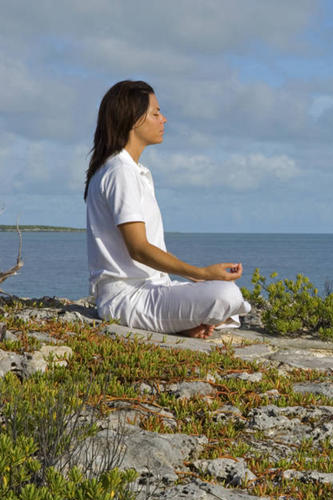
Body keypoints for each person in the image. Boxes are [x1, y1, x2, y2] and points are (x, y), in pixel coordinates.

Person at [84, 80, 250, 338]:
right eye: (155, 113)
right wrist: (199, 272)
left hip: (151, 289)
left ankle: (189, 324)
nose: (164, 119)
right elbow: (138, 248)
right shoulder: (120, 172)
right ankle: (188, 324)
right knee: (226, 295)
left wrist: (197, 279)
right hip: (126, 298)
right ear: (133, 120)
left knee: (220, 291)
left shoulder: (132, 171)